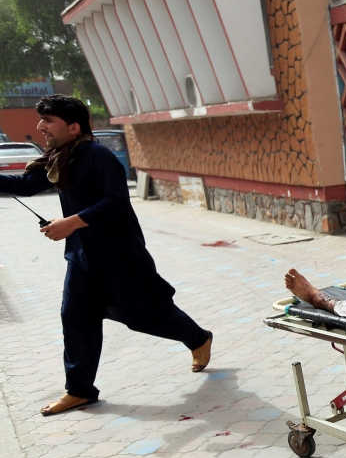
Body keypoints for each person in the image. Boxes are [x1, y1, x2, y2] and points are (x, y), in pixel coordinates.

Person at [0, 95, 212, 416]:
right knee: (75, 319)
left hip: (120, 257)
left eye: (48, 121)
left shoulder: (99, 156)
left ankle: (198, 339)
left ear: (73, 127)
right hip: (82, 259)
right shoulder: (59, 158)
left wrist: (70, 222)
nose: (40, 127)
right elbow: (25, 185)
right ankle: (80, 391)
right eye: (41, 120)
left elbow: (116, 203)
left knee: (145, 316)